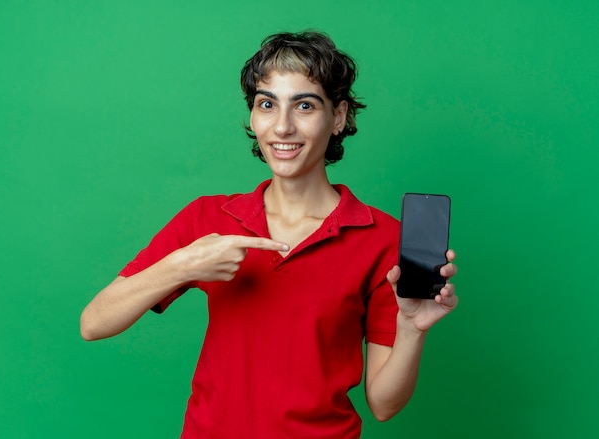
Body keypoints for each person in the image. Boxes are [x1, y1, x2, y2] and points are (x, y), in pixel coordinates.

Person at [80, 30, 458, 439]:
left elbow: (384, 405)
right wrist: (180, 265)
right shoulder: (208, 217)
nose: (282, 127)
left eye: (305, 106)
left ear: (339, 117)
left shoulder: (383, 238)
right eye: (267, 104)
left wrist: (411, 330)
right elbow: (94, 323)